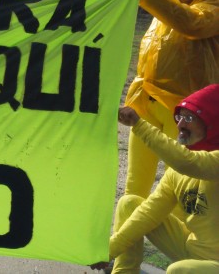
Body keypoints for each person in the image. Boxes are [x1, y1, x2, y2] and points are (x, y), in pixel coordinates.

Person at [91, 84, 219, 273]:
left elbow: (189, 163)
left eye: (189, 118)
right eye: (179, 116)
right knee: (129, 204)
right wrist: (108, 252)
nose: (181, 124)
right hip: (193, 251)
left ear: (211, 122)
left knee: (179, 270)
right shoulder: (176, 172)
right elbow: (149, 214)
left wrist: (139, 124)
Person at [123, 0, 219, 199]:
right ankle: (125, 236)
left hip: (185, 110)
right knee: (135, 183)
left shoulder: (212, 4)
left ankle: (182, 237)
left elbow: (193, 24)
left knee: (179, 186)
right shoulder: (163, 12)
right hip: (146, 103)